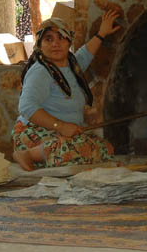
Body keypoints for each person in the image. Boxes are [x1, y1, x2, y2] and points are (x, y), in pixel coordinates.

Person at [12, 10, 120, 171]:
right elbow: (27, 107)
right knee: (75, 149)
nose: (56, 44)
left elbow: (84, 55)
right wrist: (61, 126)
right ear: (40, 45)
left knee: (105, 148)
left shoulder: (70, 65)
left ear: (69, 41)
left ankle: (47, 157)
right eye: (49, 39)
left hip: (59, 134)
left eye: (61, 38)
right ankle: (28, 154)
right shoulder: (40, 71)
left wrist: (101, 34)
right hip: (34, 132)